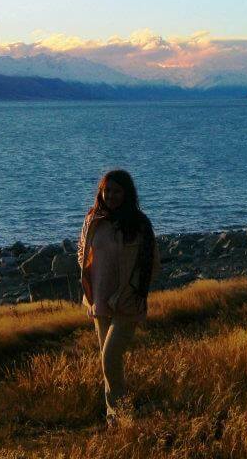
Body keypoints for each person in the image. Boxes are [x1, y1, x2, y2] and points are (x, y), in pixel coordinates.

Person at [77, 169, 161, 425]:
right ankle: (114, 419)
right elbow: (82, 249)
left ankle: (124, 415)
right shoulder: (93, 219)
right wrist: (88, 278)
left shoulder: (139, 224)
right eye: (106, 190)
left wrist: (135, 290)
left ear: (127, 193)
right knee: (108, 363)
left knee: (110, 358)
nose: (110, 195)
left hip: (127, 300)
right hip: (99, 298)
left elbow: (152, 264)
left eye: (116, 191)